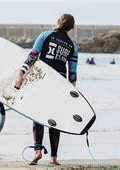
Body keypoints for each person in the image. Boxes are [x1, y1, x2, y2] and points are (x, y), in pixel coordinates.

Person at [14, 14, 79, 165]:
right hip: (59, 85)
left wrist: (21, 74)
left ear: (58, 22)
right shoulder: (72, 46)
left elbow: (33, 56)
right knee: (55, 120)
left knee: (38, 116)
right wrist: (72, 94)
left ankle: (38, 151)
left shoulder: (45, 35)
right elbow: (73, 74)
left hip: (42, 81)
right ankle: (54, 158)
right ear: (71, 28)